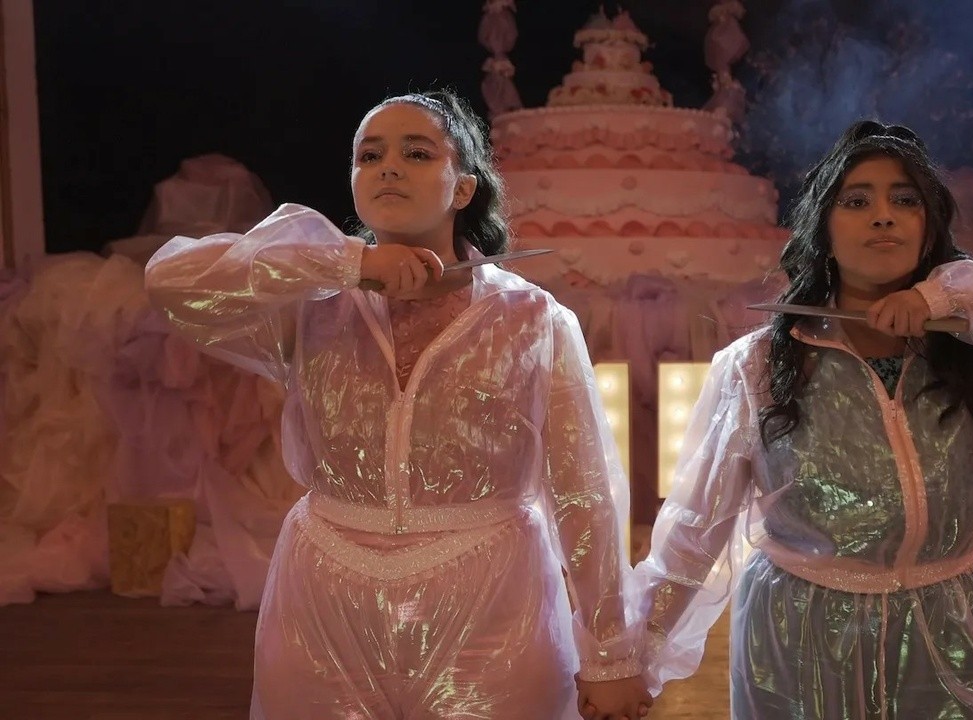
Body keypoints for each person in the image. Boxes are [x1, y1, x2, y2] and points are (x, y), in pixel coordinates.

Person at [146, 89, 652, 720]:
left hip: (494, 607)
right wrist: (350, 263)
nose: (388, 168)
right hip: (323, 605)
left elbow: (584, 493)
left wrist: (609, 654)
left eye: (416, 153)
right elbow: (170, 280)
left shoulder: (531, 318)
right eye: (369, 155)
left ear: (462, 189)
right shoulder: (313, 303)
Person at [628, 120, 973, 719]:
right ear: (823, 230)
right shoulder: (761, 365)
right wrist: (635, 659)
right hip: (800, 640)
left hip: (949, 636)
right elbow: (695, 530)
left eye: (905, 201)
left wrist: (944, 300)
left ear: (930, 228)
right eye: (856, 201)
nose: (883, 217)